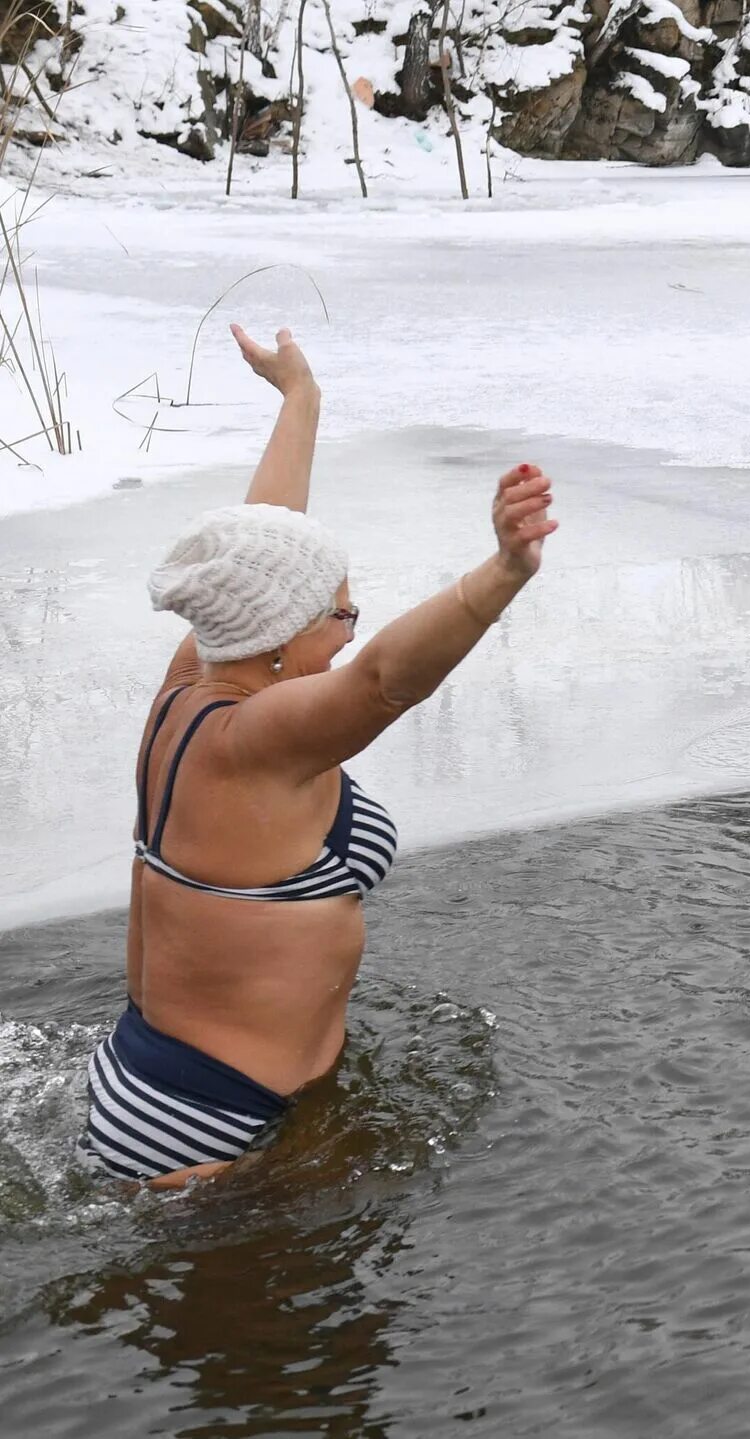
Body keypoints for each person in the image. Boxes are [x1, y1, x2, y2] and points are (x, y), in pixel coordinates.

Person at [81, 324, 558, 1188]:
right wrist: (502, 572)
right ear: (276, 639)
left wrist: (301, 397)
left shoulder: (195, 678)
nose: (350, 627)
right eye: (339, 614)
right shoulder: (256, 741)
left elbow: (263, 546)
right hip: (207, 1125)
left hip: (153, 1074)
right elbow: (382, 682)